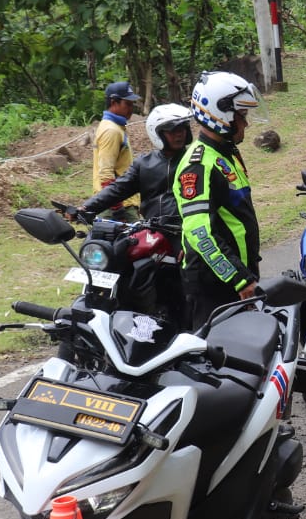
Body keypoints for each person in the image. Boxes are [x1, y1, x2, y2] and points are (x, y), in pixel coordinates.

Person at [174, 71, 264, 329]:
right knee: (214, 357)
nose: (245, 124)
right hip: (216, 283)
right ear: (220, 115)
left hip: (236, 276)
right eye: (242, 116)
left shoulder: (224, 154)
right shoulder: (199, 165)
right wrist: (239, 279)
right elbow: (199, 232)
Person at [76, 103, 193, 221]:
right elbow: (118, 188)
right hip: (154, 232)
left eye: (183, 128)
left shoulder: (195, 161)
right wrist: (86, 207)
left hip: (188, 232)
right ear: (158, 133)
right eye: (172, 130)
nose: (179, 134)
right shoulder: (145, 165)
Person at [93, 81, 142, 222]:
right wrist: (117, 209)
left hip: (122, 201)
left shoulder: (116, 127)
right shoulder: (111, 131)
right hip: (119, 206)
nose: (131, 109)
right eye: (127, 104)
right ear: (114, 102)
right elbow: (106, 173)